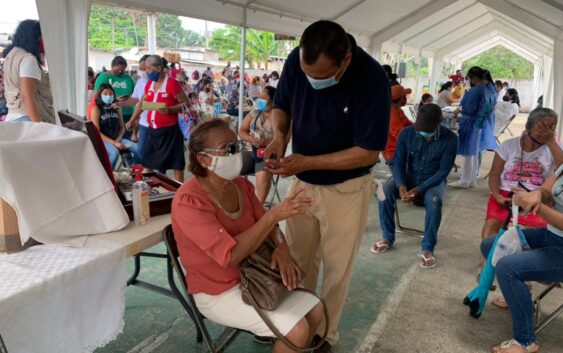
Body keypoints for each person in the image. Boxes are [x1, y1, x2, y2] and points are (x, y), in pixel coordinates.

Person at [264, 20, 390, 351]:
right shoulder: (298, 60)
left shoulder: (371, 78)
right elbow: (283, 105)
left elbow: (367, 150)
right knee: (295, 261)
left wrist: (307, 161)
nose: (313, 82)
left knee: (337, 270)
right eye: (308, 75)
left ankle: (324, 335)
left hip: (346, 188)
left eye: (320, 77)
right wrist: (279, 137)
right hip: (304, 184)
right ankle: (295, 324)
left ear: (345, 59)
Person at [172, 119, 324, 353]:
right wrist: (273, 217)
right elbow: (231, 255)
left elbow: (267, 225)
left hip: (255, 275)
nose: (237, 153)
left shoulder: (240, 185)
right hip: (218, 291)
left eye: (237, 145)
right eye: (228, 148)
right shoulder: (189, 201)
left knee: (315, 309)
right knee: (297, 329)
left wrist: (281, 247)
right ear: (203, 160)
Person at [480, 169, 563, 353]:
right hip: (551, 235)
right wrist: (535, 194)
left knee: (508, 268)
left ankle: (526, 341)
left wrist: (537, 207)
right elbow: (546, 190)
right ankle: (518, 297)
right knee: (491, 246)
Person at [371, 104, 458, 267]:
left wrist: (419, 189)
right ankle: (387, 237)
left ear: (439, 123)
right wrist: (401, 184)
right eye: (420, 129)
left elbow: (444, 171)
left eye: (427, 130)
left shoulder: (451, 139)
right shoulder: (406, 133)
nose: (423, 133)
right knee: (383, 191)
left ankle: (428, 248)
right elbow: (397, 163)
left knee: (434, 202)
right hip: (408, 178)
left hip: (432, 181)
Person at [482, 108, 562, 240]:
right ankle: (488, 258)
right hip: (506, 194)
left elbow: (562, 170)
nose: (547, 131)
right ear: (528, 127)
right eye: (542, 126)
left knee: (538, 232)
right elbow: (494, 174)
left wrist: (551, 142)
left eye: (551, 127)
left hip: (537, 195)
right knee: (491, 225)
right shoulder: (508, 145)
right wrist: (496, 195)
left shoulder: (555, 148)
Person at [127, 55, 188, 182]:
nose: (147, 72)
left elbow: (187, 105)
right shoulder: (150, 84)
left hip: (170, 131)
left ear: (159, 68)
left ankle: (179, 190)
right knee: (147, 163)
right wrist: (132, 120)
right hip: (152, 131)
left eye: (149, 68)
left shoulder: (172, 83)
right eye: (146, 69)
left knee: (177, 164)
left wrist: (171, 109)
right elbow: (142, 104)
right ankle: (144, 187)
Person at [449, 67, 497, 188]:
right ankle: (471, 180)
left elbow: (469, 108)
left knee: (468, 152)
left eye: (469, 78)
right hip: (479, 123)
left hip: (471, 123)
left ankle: (465, 180)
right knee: (474, 152)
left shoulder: (477, 90)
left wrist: (459, 113)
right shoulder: (488, 89)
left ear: (474, 78)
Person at [2, 19, 55, 123]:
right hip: (27, 120)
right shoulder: (28, 59)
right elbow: (26, 97)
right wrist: (39, 126)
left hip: (13, 117)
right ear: (36, 37)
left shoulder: (10, 56)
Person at [239, 86, 276, 204]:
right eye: (260, 97)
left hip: (267, 154)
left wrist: (268, 143)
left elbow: (284, 140)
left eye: (264, 97)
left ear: (273, 99)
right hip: (250, 150)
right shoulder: (254, 113)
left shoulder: (280, 117)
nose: (260, 100)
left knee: (263, 174)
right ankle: (237, 203)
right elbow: (241, 131)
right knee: (230, 166)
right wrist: (250, 138)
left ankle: (258, 207)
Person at [90, 83, 139, 169]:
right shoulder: (96, 109)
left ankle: (134, 171)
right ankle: (109, 177)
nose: (108, 96)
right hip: (103, 140)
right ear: (100, 95)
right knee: (114, 153)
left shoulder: (117, 108)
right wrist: (114, 143)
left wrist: (118, 140)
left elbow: (122, 128)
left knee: (137, 149)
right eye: (105, 94)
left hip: (117, 139)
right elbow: (96, 132)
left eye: (111, 93)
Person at [93, 55, 137, 139]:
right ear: (112, 66)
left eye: (123, 70)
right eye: (118, 70)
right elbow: (96, 96)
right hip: (110, 114)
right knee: (114, 139)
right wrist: (115, 99)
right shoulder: (104, 77)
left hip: (128, 114)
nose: (120, 71)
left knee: (126, 140)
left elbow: (135, 96)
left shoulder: (129, 78)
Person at [383, 85, 412, 162]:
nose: (406, 98)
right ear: (401, 99)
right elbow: (401, 136)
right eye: (405, 96)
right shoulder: (390, 114)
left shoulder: (398, 110)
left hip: (402, 149)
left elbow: (409, 124)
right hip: (395, 153)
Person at [130, 54, 150, 161]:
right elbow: (135, 99)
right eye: (141, 69)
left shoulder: (162, 83)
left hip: (160, 125)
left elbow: (166, 106)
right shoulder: (140, 81)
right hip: (144, 123)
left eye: (145, 69)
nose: (143, 72)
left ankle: (156, 176)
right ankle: (136, 173)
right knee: (140, 151)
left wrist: (144, 106)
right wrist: (120, 102)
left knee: (156, 155)